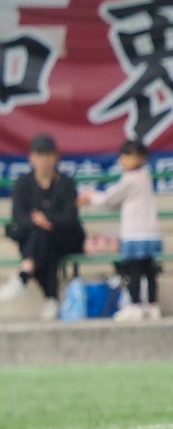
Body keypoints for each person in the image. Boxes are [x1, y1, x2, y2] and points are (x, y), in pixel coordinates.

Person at [0, 134, 85, 320]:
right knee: (43, 241)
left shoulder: (66, 183)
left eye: (48, 155)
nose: (44, 160)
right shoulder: (23, 182)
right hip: (37, 238)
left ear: (56, 157)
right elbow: (18, 215)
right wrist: (37, 222)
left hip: (65, 237)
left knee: (43, 238)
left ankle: (24, 275)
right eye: (39, 155)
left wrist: (48, 219)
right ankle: (52, 300)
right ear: (31, 158)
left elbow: (70, 218)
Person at [79, 139, 162, 321]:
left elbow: (110, 198)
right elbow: (121, 202)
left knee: (134, 271)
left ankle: (135, 305)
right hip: (150, 233)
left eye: (131, 156)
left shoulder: (131, 180)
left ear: (142, 158)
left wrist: (90, 196)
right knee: (149, 270)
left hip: (135, 234)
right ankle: (152, 306)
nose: (126, 160)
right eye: (124, 156)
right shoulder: (145, 177)